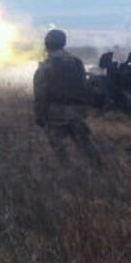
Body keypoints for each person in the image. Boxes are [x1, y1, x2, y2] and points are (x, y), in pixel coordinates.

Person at [33, 29, 102, 168]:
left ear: (47, 44)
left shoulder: (46, 66)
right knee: (86, 145)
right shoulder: (77, 63)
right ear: (63, 43)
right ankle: (101, 171)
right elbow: (84, 86)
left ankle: (67, 173)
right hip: (78, 111)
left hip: (56, 113)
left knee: (59, 150)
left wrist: (40, 115)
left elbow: (40, 94)